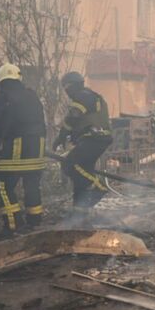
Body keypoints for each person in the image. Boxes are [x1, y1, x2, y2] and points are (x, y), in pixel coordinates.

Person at [0, 63, 47, 233]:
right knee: (32, 183)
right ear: (19, 78)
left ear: (0, 81)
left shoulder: (1, 99)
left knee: (2, 186)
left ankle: (13, 225)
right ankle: (34, 221)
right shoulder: (32, 95)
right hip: (39, 145)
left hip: (18, 145)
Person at [54, 71, 113, 212]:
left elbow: (73, 117)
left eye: (66, 88)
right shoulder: (90, 96)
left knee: (70, 165)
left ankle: (98, 187)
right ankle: (79, 211)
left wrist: (61, 136)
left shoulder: (82, 96)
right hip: (96, 138)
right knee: (82, 173)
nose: (67, 92)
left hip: (95, 139)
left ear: (71, 86)